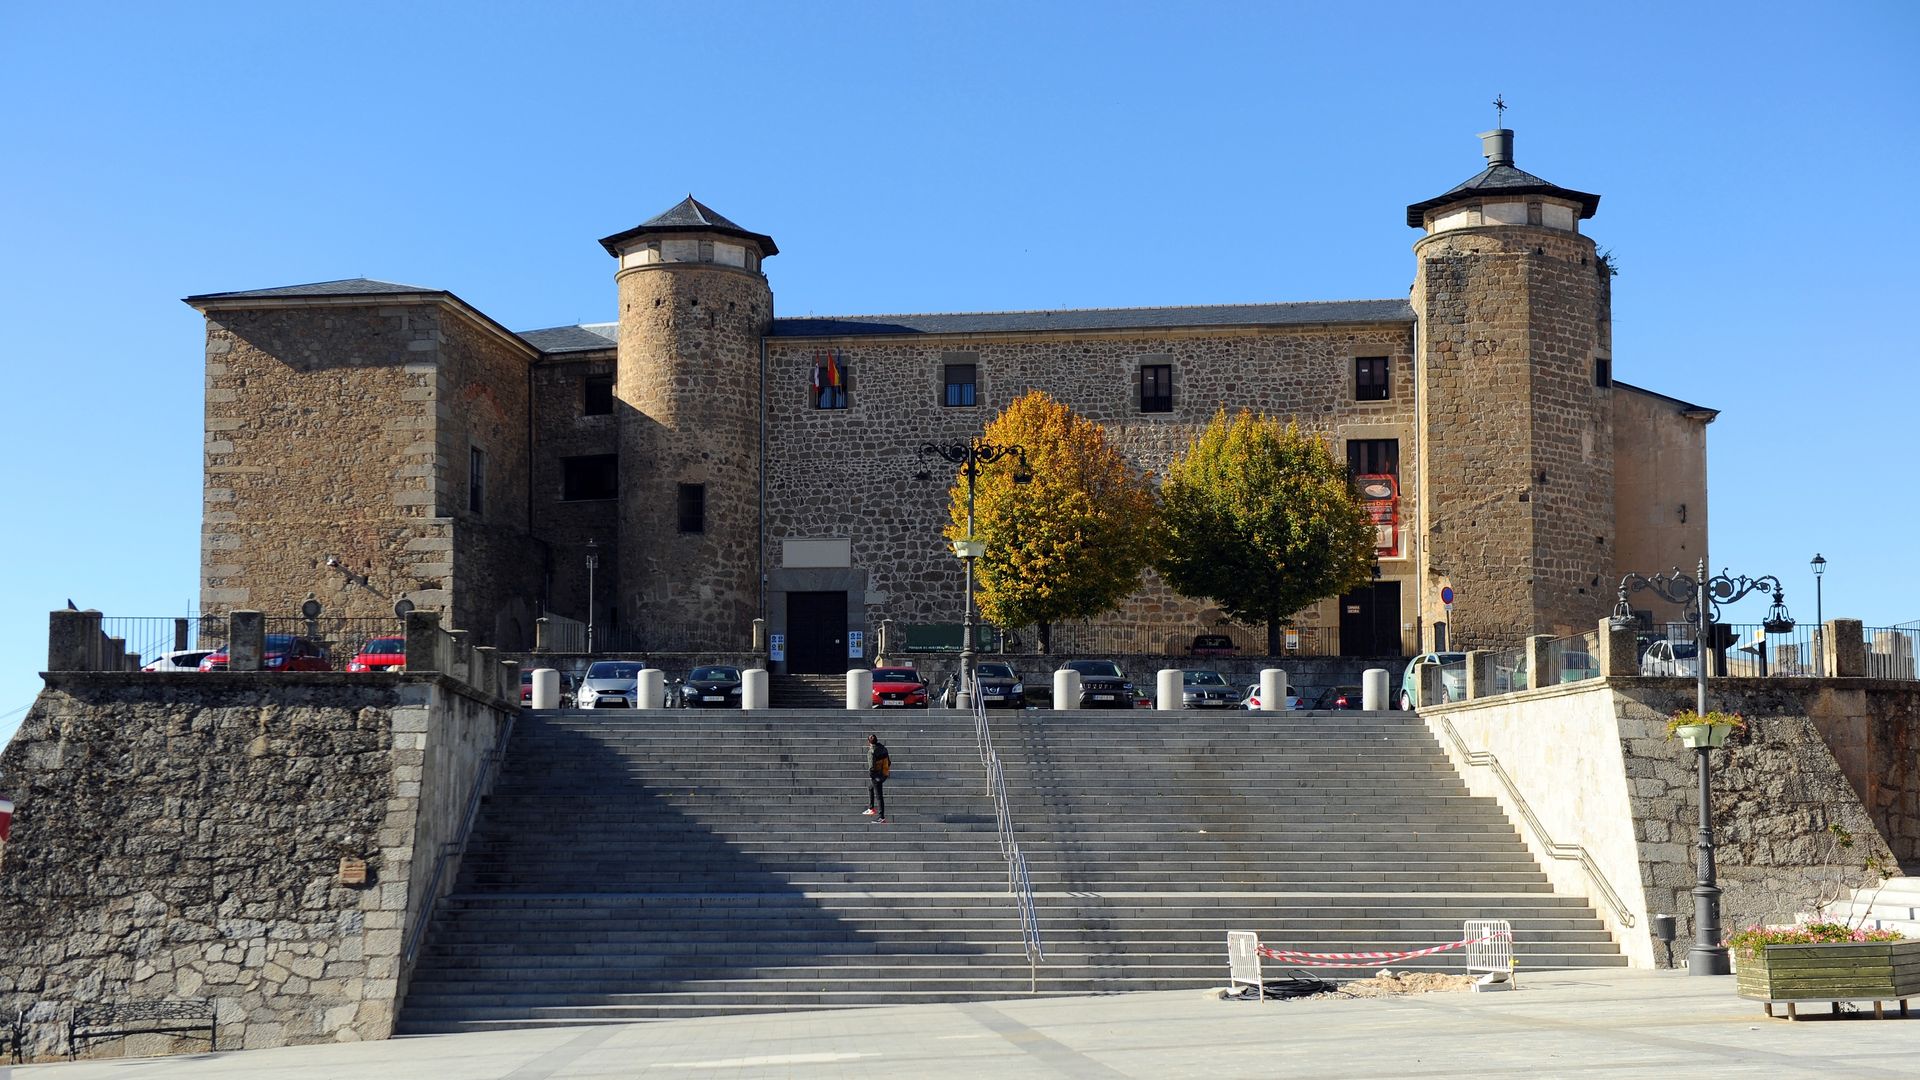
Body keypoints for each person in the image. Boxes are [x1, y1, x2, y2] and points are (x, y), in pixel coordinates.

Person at [862, 733, 890, 823]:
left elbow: (871, 767)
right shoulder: (883, 748)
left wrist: (872, 775)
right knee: (871, 787)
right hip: (884, 773)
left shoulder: (871, 752)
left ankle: (881, 817)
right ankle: (871, 808)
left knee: (879, 796)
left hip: (877, 776)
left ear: (868, 742)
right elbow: (889, 762)